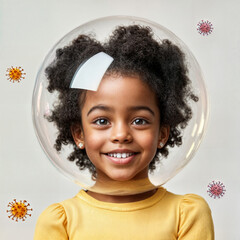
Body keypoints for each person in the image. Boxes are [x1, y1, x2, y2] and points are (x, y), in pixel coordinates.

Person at [34, 25, 214, 239]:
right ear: (79, 134)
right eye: (102, 121)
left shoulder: (186, 214)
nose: (121, 134)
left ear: (163, 133)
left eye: (139, 120)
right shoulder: (61, 221)